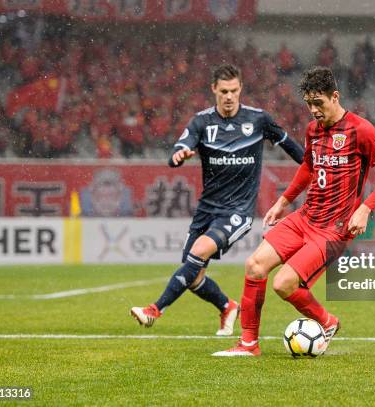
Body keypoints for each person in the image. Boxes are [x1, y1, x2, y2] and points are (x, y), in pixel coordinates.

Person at [213, 66, 375, 356]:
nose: (313, 110)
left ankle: (326, 321)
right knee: (254, 266)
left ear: (335, 96)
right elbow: (309, 168)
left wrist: (365, 209)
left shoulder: (361, 130)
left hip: (333, 229)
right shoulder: (313, 130)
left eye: (319, 103)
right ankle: (248, 344)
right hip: (306, 217)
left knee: (283, 283)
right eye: (309, 104)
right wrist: (283, 202)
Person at [130, 64, 304, 335]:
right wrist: (180, 154)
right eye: (223, 91)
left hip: (238, 210)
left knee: (197, 254)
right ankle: (226, 306)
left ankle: (154, 310)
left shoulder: (258, 120)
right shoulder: (202, 122)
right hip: (206, 210)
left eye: (234, 91)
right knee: (193, 274)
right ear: (214, 89)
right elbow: (178, 149)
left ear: (240, 89)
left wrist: (317, 168)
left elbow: (293, 148)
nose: (229, 96)